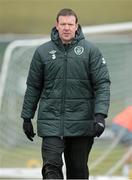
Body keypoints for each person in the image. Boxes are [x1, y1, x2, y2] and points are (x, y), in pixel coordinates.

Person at [21, 8, 110, 179]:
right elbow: (33, 86)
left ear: (76, 26)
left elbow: (102, 85)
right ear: (57, 25)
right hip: (51, 122)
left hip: (82, 124)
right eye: (63, 24)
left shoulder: (91, 51)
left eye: (70, 24)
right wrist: (27, 117)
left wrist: (100, 116)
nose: (67, 28)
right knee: (51, 168)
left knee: (78, 172)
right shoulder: (42, 52)